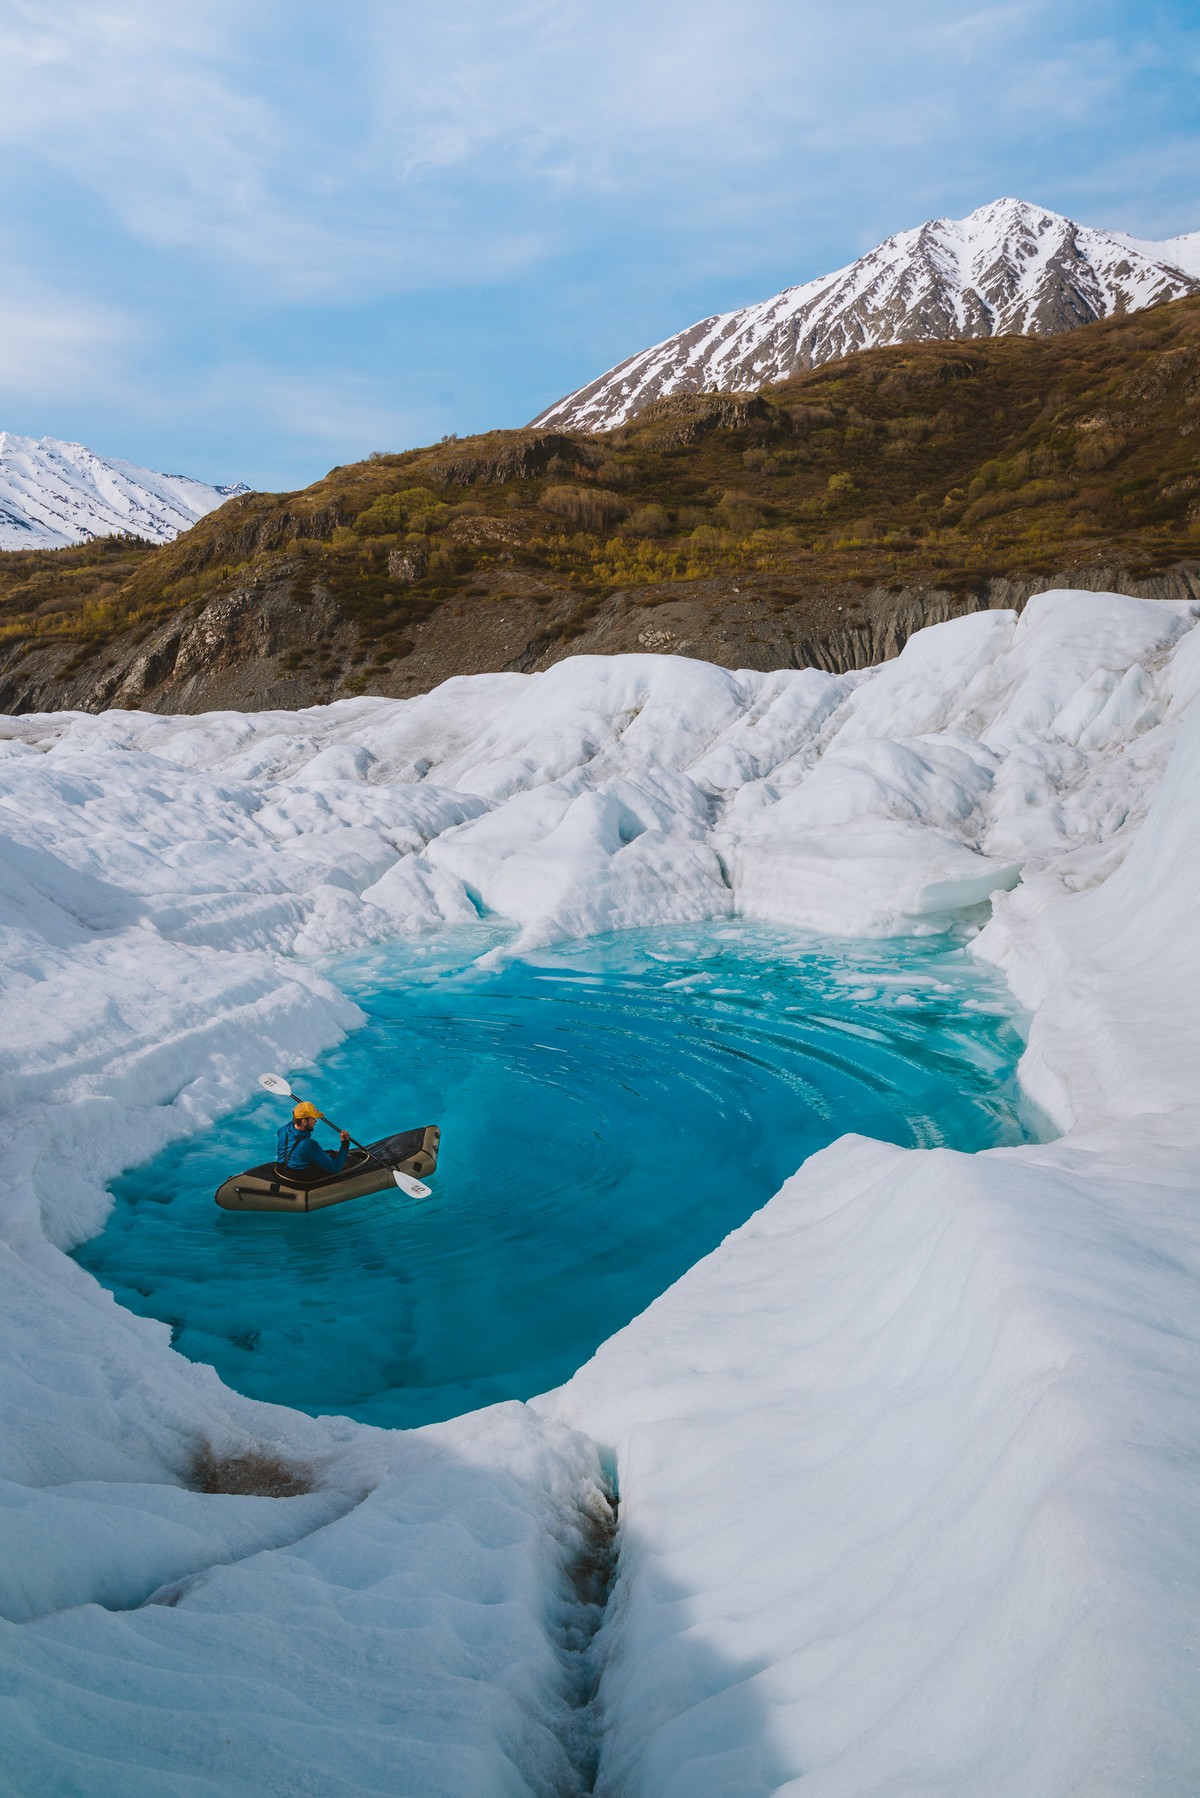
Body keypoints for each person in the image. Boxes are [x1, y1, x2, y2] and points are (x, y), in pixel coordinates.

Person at [276, 1101, 351, 1176]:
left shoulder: (283, 1130)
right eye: (313, 1118)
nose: (316, 1121)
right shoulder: (308, 1144)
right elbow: (335, 1168)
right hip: (298, 1176)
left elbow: (293, 1122)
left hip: (283, 1168)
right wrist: (345, 1144)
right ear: (304, 1122)